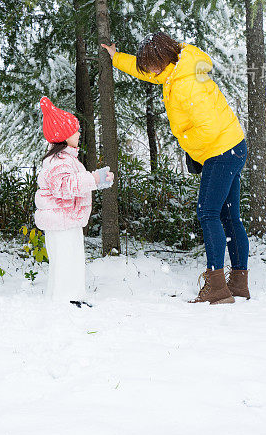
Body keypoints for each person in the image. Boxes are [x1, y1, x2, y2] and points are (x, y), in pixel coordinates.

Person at [101, 33, 250, 304]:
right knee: (230, 216)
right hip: (232, 145)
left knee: (208, 213)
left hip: (219, 150)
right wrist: (116, 58)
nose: (152, 70)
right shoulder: (179, 66)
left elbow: (207, 127)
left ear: (163, 59)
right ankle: (238, 283)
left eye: (153, 64)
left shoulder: (186, 83)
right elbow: (147, 73)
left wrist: (193, 152)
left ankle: (217, 286)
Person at [35, 96, 114, 307]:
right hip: (61, 221)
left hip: (66, 220)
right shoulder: (58, 161)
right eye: (75, 131)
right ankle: (66, 300)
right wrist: (93, 179)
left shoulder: (67, 159)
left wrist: (98, 180)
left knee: (71, 259)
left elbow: (74, 183)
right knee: (66, 260)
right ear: (63, 135)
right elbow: (64, 187)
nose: (79, 133)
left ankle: (67, 297)